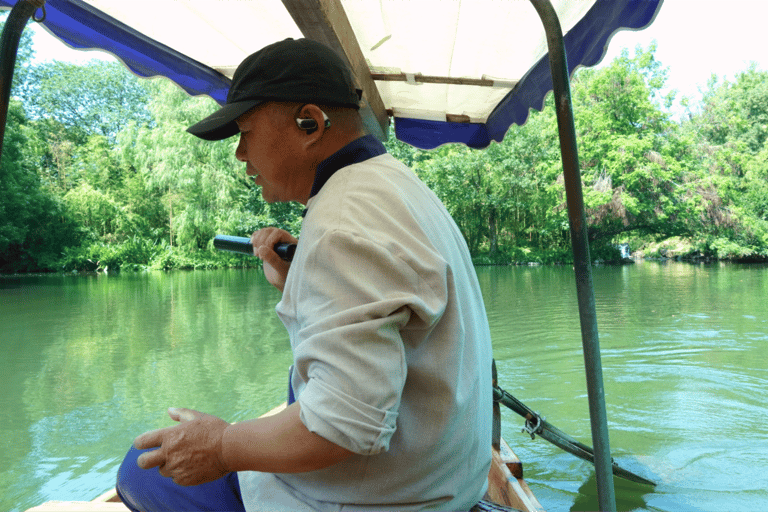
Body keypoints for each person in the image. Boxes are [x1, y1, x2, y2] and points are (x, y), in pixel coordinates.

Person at [116, 37, 493, 512]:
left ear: (309, 123)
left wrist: (222, 445)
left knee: (141, 470)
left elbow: (342, 426)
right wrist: (298, 280)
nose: (239, 155)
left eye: (244, 132)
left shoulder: (341, 224)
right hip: (444, 480)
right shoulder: (394, 182)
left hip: (394, 498)